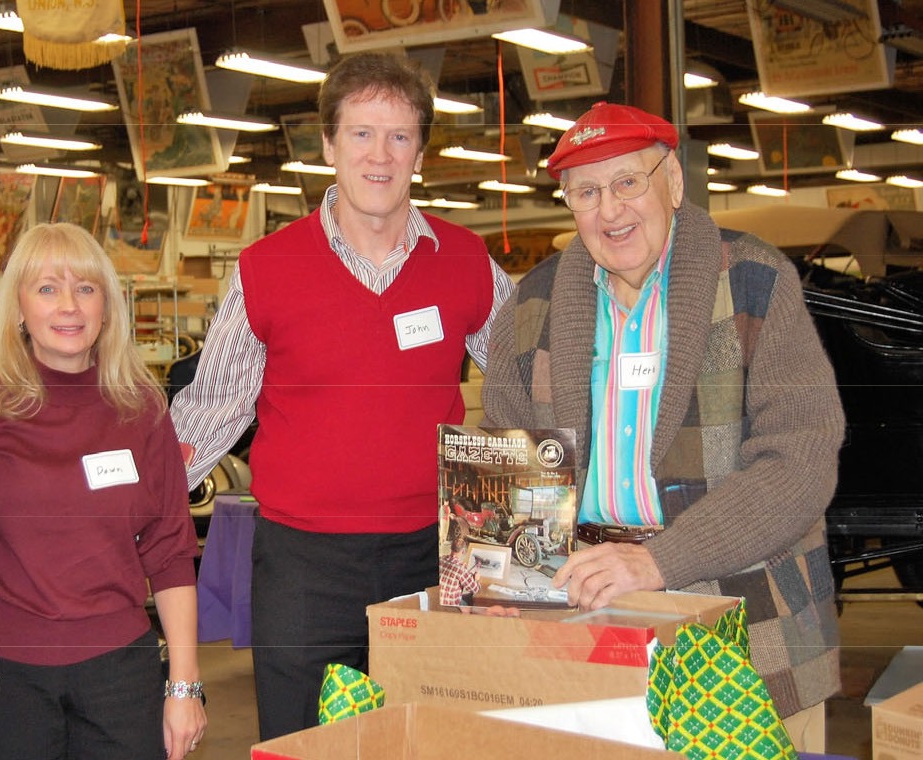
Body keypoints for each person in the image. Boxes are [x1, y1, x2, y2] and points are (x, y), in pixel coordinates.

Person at [170, 50, 514, 740]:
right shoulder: (267, 268)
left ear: (420, 152)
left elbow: (525, 383)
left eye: (399, 135)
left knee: (423, 739)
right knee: (303, 741)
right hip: (303, 565)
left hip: (432, 557)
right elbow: (212, 408)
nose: (379, 155)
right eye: (361, 133)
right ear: (328, 144)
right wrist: (132, 508)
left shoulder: (467, 263)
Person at [480, 101, 844, 752]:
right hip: (588, 621)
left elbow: (800, 461)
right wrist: (505, 576)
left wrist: (658, 560)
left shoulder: (755, 282)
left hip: (749, 626)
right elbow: (508, 456)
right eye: (587, 192)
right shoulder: (530, 304)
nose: (610, 210)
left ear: (673, 182)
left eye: (628, 182)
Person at [0, 223, 206, 760]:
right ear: (18, 309)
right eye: (47, 288)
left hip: (121, 679)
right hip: (8, 683)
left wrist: (184, 686)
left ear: (106, 307)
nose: (69, 306)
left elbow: (170, 553)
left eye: (85, 287)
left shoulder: (142, 410)